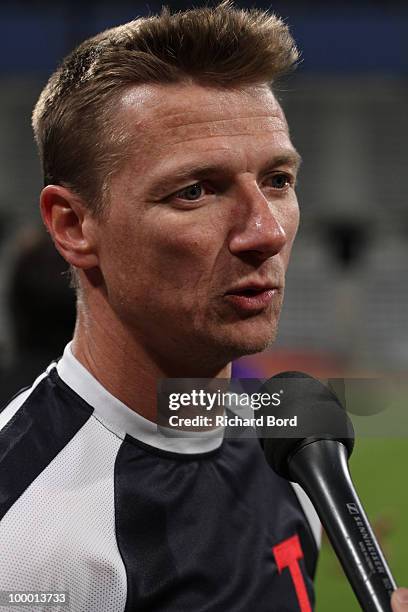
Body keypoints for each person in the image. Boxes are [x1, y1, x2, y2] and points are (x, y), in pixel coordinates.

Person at [0, 2, 404, 610]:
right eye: (195, 191)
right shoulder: (28, 538)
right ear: (74, 225)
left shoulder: (287, 440)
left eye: (278, 180)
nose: (266, 231)